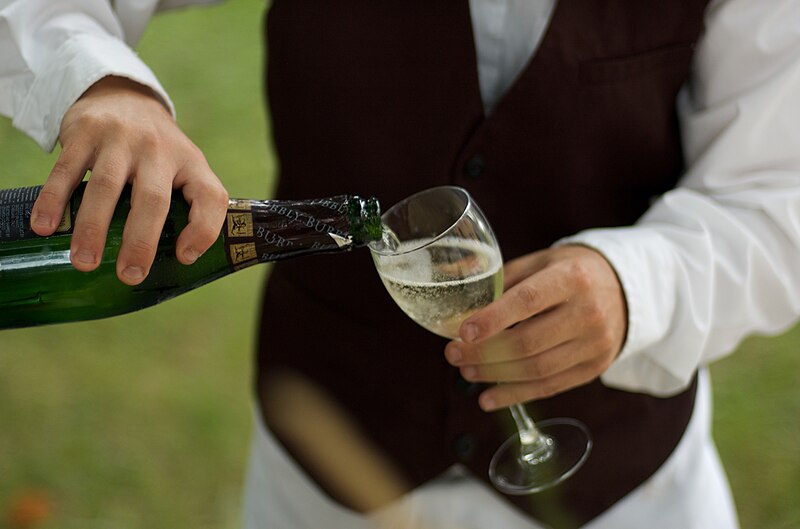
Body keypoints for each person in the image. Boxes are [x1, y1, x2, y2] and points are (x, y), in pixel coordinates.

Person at [2, 0, 800, 527]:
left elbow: (781, 187)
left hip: (631, 495)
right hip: (323, 482)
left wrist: (639, 286)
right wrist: (103, 84)